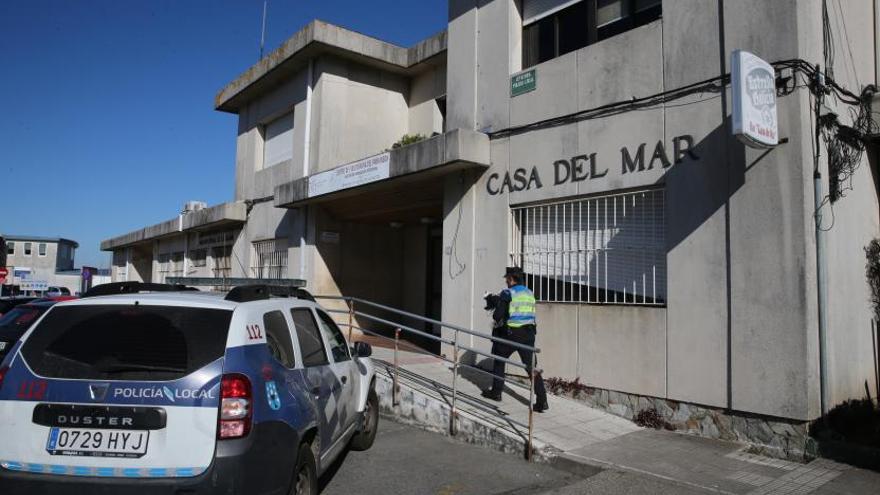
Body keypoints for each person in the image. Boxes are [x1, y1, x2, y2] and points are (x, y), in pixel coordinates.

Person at [481, 267, 549, 413]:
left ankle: (496, 392)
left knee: (499, 360)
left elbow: (497, 316)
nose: (506, 281)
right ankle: (542, 401)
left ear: (512, 279)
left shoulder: (508, 293)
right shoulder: (529, 293)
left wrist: (495, 304)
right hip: (529, 334)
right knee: (532, 368)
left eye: (507, 278)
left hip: (511, 334)